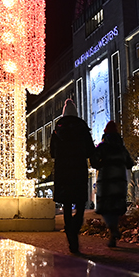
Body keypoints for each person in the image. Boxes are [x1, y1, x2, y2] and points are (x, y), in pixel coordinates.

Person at [49, 99, 94, 253]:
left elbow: (52, 154)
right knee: (80, 202)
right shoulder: (83, 130)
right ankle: (76, 227)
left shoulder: (56, 131)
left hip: (63, 171)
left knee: (66, 204)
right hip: (79, 170)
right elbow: (90, 151)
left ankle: (70, 234)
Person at [93, 121, 135, 247]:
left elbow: (93, 161)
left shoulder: (102, 146)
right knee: (116, 207)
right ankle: (113, 232)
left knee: (105, 208)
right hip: (119, 181)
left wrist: (100, 165)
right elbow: (130, 163)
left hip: (106, 181)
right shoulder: (121, 148)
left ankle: (112, 230)